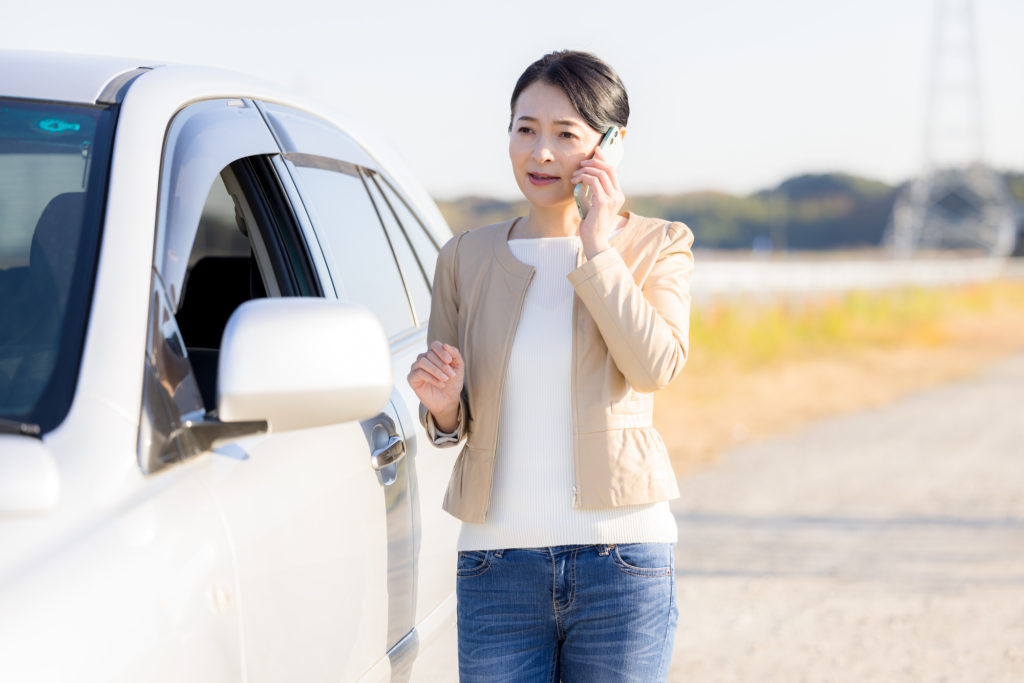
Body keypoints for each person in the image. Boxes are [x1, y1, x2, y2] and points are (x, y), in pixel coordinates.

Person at [407, 50, 694, 682]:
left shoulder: (657, 244)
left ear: (610, 144)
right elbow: (451, 427)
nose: (540, 153)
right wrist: (445, 405)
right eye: (525, 129)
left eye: (566, 135)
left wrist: (598, 248)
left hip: (623, 562)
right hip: (497, 566)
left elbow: (655, 366)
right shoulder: (464, 257)